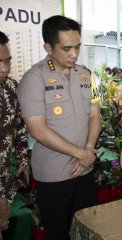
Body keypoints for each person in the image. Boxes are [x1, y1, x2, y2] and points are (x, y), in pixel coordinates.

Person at [16, 15, 101, 240]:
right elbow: (38, 130)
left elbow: (94, 114)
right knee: (59, 233)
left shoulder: (85, 75)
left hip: (85, 168)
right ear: (48, 47)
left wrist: (89, 150)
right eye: (66, 48)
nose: (74, 54)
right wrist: (80, 154)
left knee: (88, 228)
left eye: (77, 47)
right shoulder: (34, 78)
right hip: (54, 174)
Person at [0, 31, 30, 238]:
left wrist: (23, 159)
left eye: (7, 61)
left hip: (6, 183)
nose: (4, 68)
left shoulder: (11, 88)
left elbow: (20, 129)